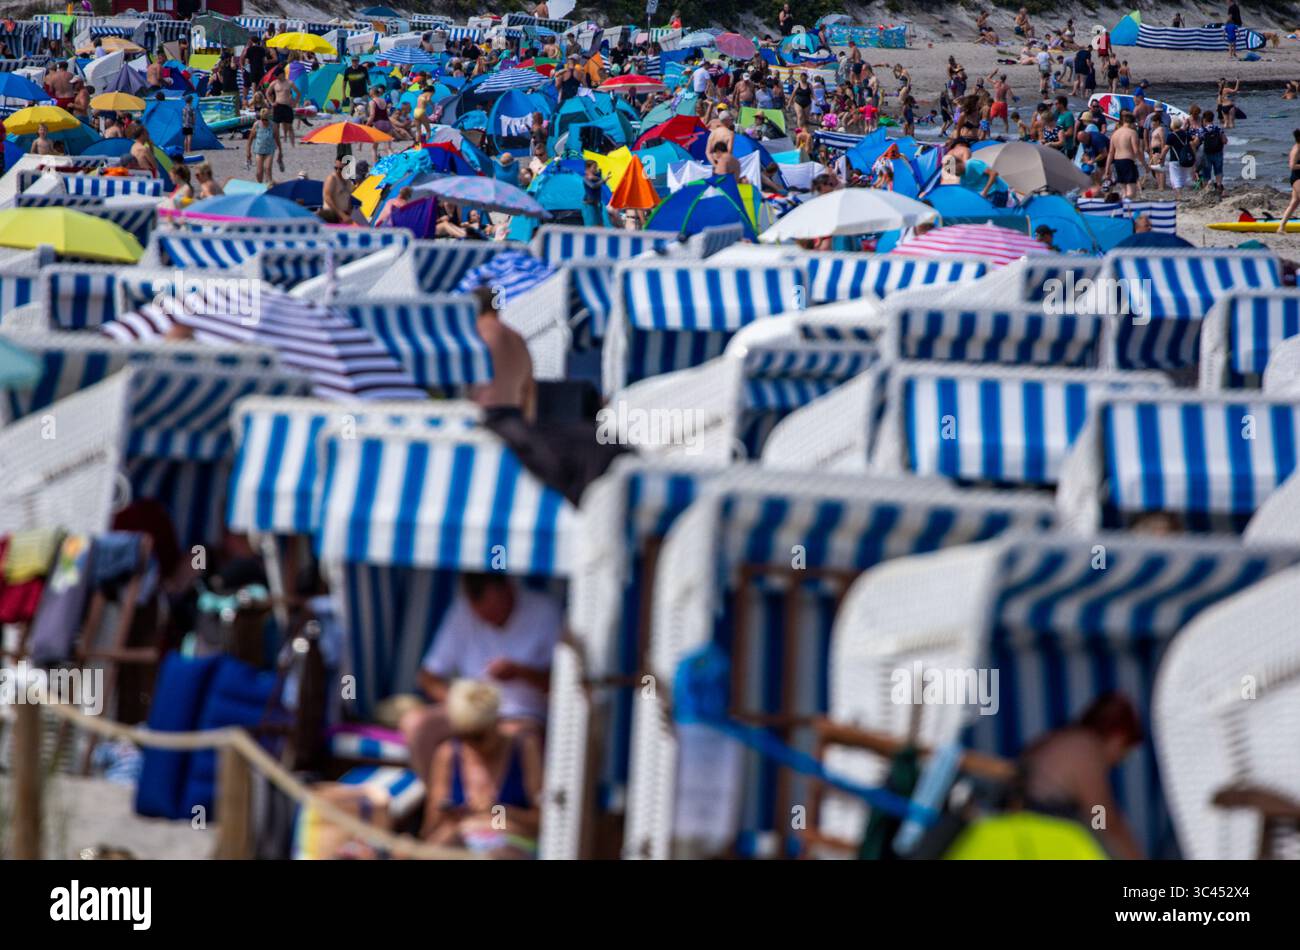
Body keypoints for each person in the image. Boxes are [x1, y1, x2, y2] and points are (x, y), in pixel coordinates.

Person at [400, 571, 558, 782]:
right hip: (470, 715)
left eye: (494, 612)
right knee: (416, 724)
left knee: (509, 739)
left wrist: (521, 672)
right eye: (481, 615)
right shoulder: (462, 612)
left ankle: (493, 808)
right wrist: (461, 705)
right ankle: (441, 804)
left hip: (522, 716)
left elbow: (561, 684)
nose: (488, 620)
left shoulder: (546, 613)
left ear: (508, 589)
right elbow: (428, 676)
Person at [1018, 692, 1146, 859]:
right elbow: (1101, 819)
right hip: (1041, 835)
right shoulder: (1086, 748)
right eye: (1126, 750)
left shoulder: (1063, 739)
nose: (1121, 759)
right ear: (1118, 737)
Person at [423, 680, 543, 856]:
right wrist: (446, 816)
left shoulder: (523, 748)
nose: (471, 744)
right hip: (462, 840)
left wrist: (497, 811)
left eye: (478, 736)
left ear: (497, 722)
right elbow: (430, 829)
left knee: (498, 854)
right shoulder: (448, 754)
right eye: (464, 736)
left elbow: (542, 821)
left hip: (510, 842)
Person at [1105, 110, 1141, 200]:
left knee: (1124, 190)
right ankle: (1127, 207)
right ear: (1132, 123)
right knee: (1132, 192)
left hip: (1117, 162)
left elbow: (1110, 153)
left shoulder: (1114, 134)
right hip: (1128, 161)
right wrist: (1144, 164)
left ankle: (1122, 209)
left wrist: (1107, 169)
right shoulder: (1132, 133)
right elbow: (1136, 150)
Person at [268, 68, 300, 169]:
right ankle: (276, 145)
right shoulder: (274, 83)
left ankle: (293, 145)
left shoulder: (289, 83)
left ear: (282, 74)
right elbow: (268, 93)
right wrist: (271, 103)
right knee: (275, 127)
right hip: (278, 106)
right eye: (276, 76)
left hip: (287, 106)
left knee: (290, 127)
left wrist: (294, 102)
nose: (277, 77)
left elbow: (298, 93)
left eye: (278, 75)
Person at [1277, 130, 1300, 232]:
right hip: (1297, 178)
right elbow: (1292, 166)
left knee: (1294, 202)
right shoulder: (1296, 150)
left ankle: (1281, 227)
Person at [1165, 117, 1197, 190]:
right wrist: (1194, 158)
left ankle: (1179, 196)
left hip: (1174, 159)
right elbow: (1193, 143)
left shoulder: (1171, 135)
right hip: (1185, 159)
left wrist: (1161, 158)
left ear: (1172, 125)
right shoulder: (1186, 134)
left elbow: (1165, 149)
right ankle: (1183, 192)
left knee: (1175, 179)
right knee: (1183, 178)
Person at [246, 107, 276, 184]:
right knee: (259, 172)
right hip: (259, 150)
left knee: (268, 168)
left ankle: (269, 186)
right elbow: (250, 140)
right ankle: (260, 185)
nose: (264, 121)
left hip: (269, 150)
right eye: (263, 119)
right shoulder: (256, 125)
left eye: (266, 120)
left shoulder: (273, 125)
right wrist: (248, 152)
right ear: (261, 118)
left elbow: (277, 138)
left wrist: (280, 152)